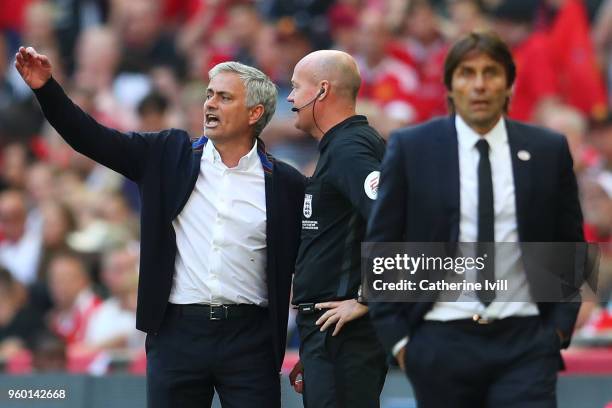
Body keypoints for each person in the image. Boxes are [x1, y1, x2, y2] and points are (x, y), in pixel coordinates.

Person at [15, 46, 305, 408]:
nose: (210, 104)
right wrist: (47, 89)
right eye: (209, 94)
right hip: (176, 333)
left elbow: (306, 268)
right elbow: (90, 137)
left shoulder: (286, 183)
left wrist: (310, 346)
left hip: (251, 338)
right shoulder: (168, 153)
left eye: (224, 97)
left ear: (254, 113)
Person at [367, 31, 584, 407]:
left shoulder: (547, 149)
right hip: (439, 339)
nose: (480, 85)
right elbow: (383, 245)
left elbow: (569, 243)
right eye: (467, 73)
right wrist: (401, 342)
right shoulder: (412, 147)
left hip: (527, 342)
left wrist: (558, 330)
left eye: (491, 72)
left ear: (509, 83)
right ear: (450, 85)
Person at [287, 49, 388, 408]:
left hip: (343, 335)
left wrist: (369, 297)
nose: (290, 97)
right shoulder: (340, 147)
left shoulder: (349, 149)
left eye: (296, 87)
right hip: (329, 335)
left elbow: (394, 217)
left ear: (323, 90)